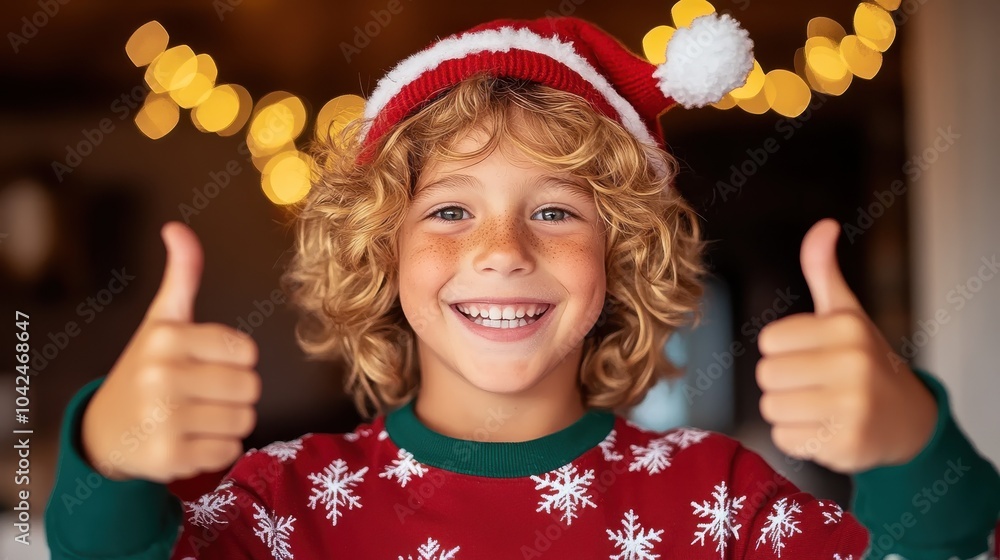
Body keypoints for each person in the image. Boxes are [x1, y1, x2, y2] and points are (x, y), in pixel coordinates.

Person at [44, 14, 999, 560]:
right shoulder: (281, 507)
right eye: (450, 211)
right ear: (381, 253)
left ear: (622, 258)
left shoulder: (724, 501)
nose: (501, 250)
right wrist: (110, 456)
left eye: (555, 211)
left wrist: (916, 446)